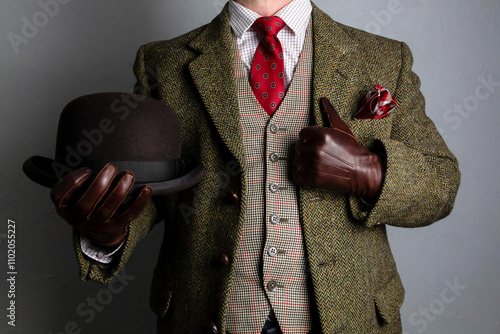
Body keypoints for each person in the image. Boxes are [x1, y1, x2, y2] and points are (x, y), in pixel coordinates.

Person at [49, 0, 461, 333]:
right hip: (206, 315)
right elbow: (153, 187)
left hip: (348, 318)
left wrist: (370, 171)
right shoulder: (163, 62)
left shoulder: (383, 57)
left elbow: (441, 185)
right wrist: (109, 233)